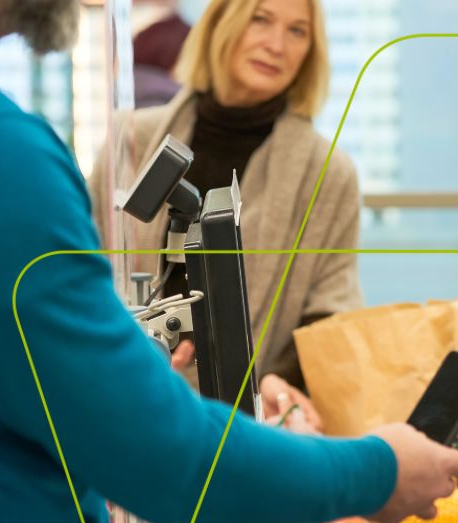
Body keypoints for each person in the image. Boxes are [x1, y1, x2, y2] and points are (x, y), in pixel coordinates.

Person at [0, 2, 458, 523]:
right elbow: (156, 453)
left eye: (296, 31)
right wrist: (378, 471)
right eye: (261, 20)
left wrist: (107, 368)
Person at [91, 0, 352, 432]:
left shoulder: (328, 173)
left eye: (297, 31)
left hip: (250, 428)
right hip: (126, 407)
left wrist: (278, 381)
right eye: (261, 19)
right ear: (220, 25)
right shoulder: (130, 140)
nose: (276, 45)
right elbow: (86, 270)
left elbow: (330, 311)